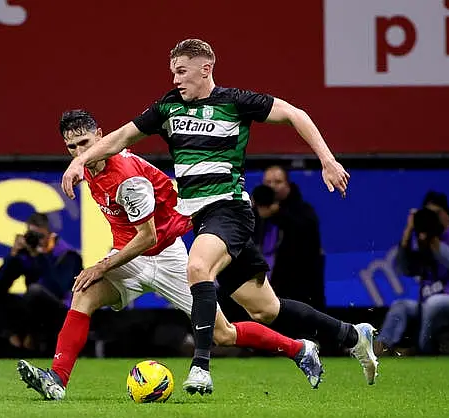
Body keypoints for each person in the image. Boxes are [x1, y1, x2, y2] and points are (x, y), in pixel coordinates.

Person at [61, 39, 378, 394]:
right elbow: (121, 136)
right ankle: (351, 334)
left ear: (205, 68)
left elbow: (294, 114)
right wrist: (80, 161)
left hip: (229, 209)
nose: (176, 79)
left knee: (197, 267)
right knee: (266, 310)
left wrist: (327, 159)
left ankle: (200, 366)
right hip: (203, 218)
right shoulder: (169, 107)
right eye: (173, 72)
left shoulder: (235, 101)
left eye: (182, 71)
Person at [17, 110, 323, 401]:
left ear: (100, 135)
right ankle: (56, 380)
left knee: (223, 334)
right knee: (83, 294)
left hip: (166, 256)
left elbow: (148, 236)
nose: (79, 151)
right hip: (131, 257)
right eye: (72, 146)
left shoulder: (127, 178)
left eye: (85, 143)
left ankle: (299, 349)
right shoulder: (87, 165)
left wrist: (102, 265)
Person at [375, 192, 449, 355]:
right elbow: (406, 269)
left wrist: (437, 245)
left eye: (435, 214)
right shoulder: (425, 238)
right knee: (401, 306)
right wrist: (407, 234)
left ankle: (422, 352)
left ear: (446, 214)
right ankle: (379, 349)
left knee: (434, 303)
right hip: (429, 302)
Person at [0, 212, 82, 352]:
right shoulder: (26, 253)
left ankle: (32, 337)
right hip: (31, 306)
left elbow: (58, 288)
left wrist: (40, 256)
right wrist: (13, 256)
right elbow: (0, 287)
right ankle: (13, 336)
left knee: (35, 291)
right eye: (32, 235)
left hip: (60, 310)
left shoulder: (67, 255)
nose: (37, 240)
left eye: (40, 236)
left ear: (49, 234)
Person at [252, 181, 325, 311]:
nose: (272, 186)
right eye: (268, 182)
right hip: (260, 287)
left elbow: (305, 239)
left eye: (277, 182)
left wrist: (278, 213)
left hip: (295, 289)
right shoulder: (253, 215)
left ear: (287, 185)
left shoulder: (302, 213)